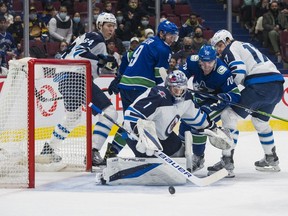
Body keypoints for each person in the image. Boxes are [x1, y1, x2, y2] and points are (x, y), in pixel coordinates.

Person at [39, 12, 118, 166]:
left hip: (64, 77)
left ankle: (48, 149)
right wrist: (102, 59)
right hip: (77, 77)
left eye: (113, 26)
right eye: (108, 25)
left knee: (73, 115)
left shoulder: (90, 37)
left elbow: (76, 55)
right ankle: (92, 152)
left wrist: (104, 63)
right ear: (100, 25)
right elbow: (79, 53)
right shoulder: (96, 36)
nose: (111, 29)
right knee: (110, 112)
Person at [104, 20, 179, 164]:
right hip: (140, 88)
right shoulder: (164, 49)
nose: (173, 39)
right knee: (147, 120)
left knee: (129, 122)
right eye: (170, 35)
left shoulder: (148, 42)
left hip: (125, 86)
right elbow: (160, 75)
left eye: (174, 36)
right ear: (162, 33)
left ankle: (112, 151)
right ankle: (151, 150)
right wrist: (166, 93)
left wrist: (120, 77)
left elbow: (127, 56)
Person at [210, 29, 284, 172]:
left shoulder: (229, 49)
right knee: (260, 122)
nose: (219, 50)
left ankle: (227, 161)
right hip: (277, 87)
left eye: (219, 45)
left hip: (260, 86)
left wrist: (227, 92)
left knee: (228, 115)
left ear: (227, 40)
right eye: (216, 47)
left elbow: (239, 71)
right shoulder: (243, 45)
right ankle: (271, 157)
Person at [123, 70, 230, 158]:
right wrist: (140, 134)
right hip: (139, 137)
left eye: (181, 89)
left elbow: (197, 117)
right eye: (175, 89)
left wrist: (212, 127)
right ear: (168, 87)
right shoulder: (158, 95)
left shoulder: (186, 99)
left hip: (162, 136)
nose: (178, 93)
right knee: (151, 158)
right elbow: (131, 115)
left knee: (181, 154)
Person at [179, 45, 241, 177]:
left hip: (215, 103)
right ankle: (180, 155)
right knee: (185, 121)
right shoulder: (193, 61)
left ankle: (198, 158)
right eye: (203, 62)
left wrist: (225, 96)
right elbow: (181, 74)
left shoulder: (223, 72)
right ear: (199, 60)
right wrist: (179, 81)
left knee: (199, 121)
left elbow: (235, 94)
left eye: (210, 62)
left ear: (215, 60)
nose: (206, 65)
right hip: (199, 100)